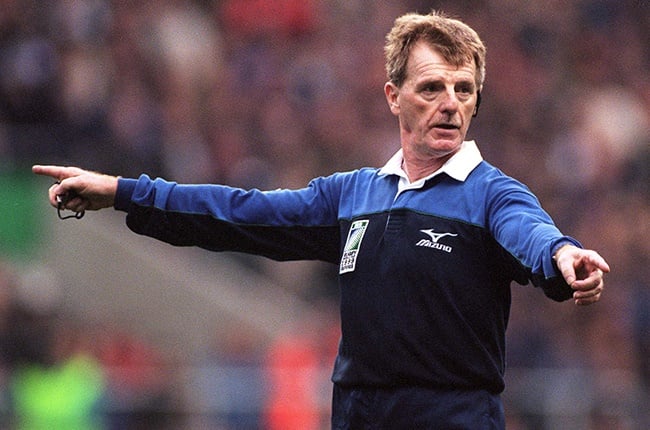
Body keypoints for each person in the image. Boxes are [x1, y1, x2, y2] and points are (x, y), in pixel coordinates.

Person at [33, 10, 610, 429]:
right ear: (394, 96)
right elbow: (238, 212)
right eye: (432, 87)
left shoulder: (491, 195)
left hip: (453, 418)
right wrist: (123, 193)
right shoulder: (352, 195)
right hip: (357, 417)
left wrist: (564, 257)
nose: (451, 103)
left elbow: (532, 234)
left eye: (464, 90)